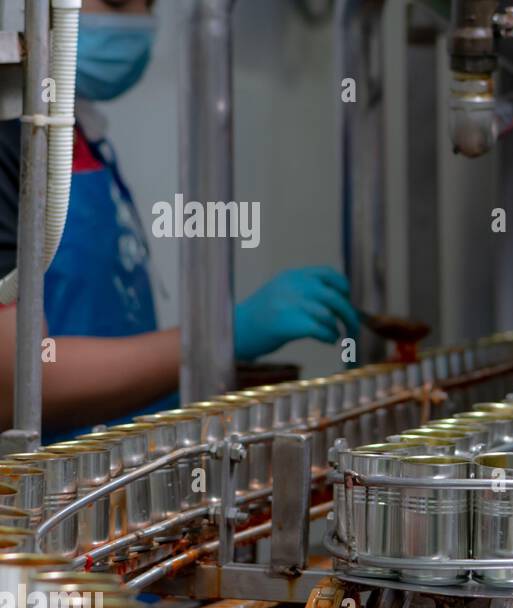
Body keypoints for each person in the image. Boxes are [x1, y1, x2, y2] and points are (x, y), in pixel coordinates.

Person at [0, 0, 359, 439]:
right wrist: (216, 338)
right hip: (54, 488)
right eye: (116, 0)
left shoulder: (81, 140)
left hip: (127, 477)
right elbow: (15, 382)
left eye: (147, 4)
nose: (136, 22)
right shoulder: (12, 138)